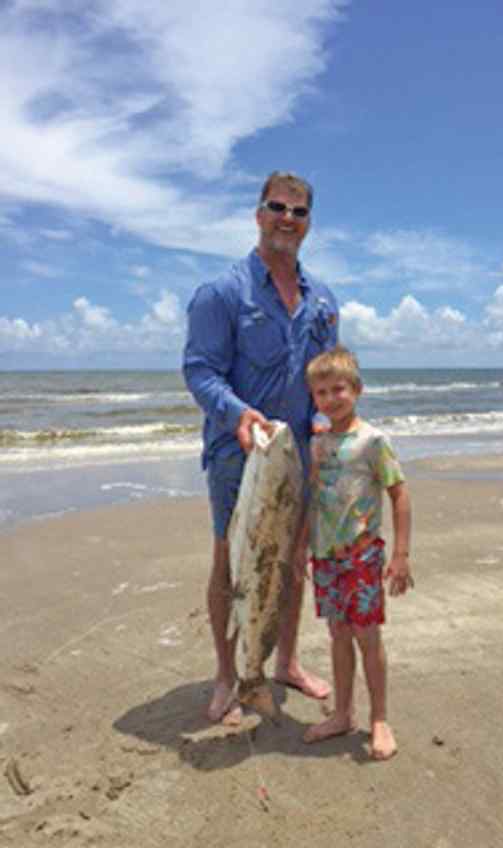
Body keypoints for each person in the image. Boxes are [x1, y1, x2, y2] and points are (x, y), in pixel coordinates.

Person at [183, 171, 339, 723]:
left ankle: (286, 663)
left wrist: (323, 421)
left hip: (299, 455)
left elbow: (327, 372)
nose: (287, 219)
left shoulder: (323, 300)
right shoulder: (222, 293)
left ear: (308, 224)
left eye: (298, 212)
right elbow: (199, 372)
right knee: (232, 563)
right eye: (278, 208)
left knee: (292, 561)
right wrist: (237, 414)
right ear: (258, 214)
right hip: (238, 453)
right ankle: (228, 675)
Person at [295, 345, 412, 760]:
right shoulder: (318, 446)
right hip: (325, 557)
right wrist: (300, 549)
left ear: (357, 390)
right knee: (338, 634)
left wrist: (400, 556)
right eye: (321, 393)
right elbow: (313, 499)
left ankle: (380, 718)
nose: (330, 399)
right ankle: (344, 712)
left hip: (362, 556)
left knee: (367, 636)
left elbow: (398, 494)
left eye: (338, 389)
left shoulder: (373, 441)